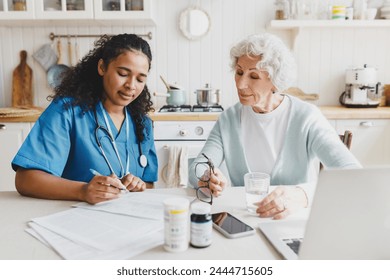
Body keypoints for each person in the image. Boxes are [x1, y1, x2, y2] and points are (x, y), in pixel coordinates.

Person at [189, 33, 361, 219]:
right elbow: (196, 167)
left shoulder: (306, 118)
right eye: (239, 72)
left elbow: (352, 175)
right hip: (247, 222)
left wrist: (301, 195)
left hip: (295, 224)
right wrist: (206, 176)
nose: (240, 83)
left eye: (254, 76)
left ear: (275, 81)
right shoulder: (228, 119)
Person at [12, 34, 157, 204]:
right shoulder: (67, 111)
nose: (131, 85)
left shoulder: (142, 124)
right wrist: (82, 191)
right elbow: (26, 180)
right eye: (123, 73)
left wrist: (137, 185)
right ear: (102, 67)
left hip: (126, 220)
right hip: (73, 217)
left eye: (140, 79)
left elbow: (149, 184)